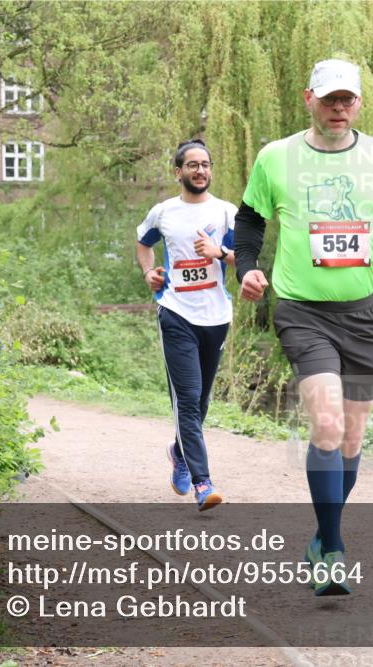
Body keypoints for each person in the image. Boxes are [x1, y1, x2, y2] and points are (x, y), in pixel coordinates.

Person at [234, 59, 373, 595]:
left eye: (348, 100)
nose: (339, 108)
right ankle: (333, 555)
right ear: (308, 99)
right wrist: (247, 267)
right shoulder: (276, 157)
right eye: (329, 99)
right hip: (303, 311)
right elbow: (249, 219)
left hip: (367, 317)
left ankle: (322, 535)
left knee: (352, 440)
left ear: (359, 103)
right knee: (328, 427)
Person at [137, 139, 236, 511]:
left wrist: (220, 253)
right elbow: (142, 243)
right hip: (176, 313)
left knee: (202, 401)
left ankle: (178, 452)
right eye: (192, 165)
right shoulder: (164, 212)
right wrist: (149, 272)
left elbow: (247, 255)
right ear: (178, 172)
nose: (200, 170)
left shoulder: (227, 212)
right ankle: (203, 483)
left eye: (206, 164)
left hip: (216, 316)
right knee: (189, 401)